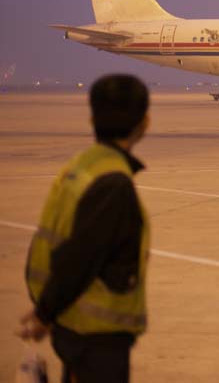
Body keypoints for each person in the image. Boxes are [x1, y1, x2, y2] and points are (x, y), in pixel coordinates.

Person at [18, 74, 151, 383]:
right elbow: (81, 255)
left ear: (91, 118)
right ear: (146, 122)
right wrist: (45, 313)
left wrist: (48, 309)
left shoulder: (79, 167)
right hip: (97, 333)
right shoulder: (113, 184)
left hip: (74, 325)